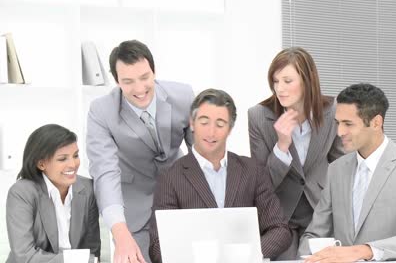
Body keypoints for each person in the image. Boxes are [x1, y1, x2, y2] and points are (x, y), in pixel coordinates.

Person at [298, 83, 396, 262]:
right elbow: (313, 235)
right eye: (337, 123)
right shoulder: (335, 169)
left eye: (348, 124)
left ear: (376, 123)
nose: (340, 132)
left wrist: (363, 251)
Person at [149, 89, 292, 262]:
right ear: (192, 124)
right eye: (204, 122)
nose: (211, 132)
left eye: (220, 124)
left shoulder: (252, 170)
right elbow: (158, 245)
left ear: (230, 129)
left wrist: (246, 255)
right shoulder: (171, 178)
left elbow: (280, 229)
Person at [86, 39, 194, 263]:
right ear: (117, 82)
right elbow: (105, 171)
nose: (139, 89)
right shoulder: (101, 111)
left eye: (145, 78)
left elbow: (202, 153)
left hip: (181, 200)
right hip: (134, 211)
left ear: (154, 72)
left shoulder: (184, 96)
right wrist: (119, 231)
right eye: (128, 81)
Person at [247, 47, 343, 259]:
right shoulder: (259, 116)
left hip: (320, 211)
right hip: (281, 217)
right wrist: (281, 146)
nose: (279, 89)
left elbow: (342, 164)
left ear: (307, 81)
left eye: (287, 81)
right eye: (275, 81)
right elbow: (262, 184)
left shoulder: (333, 111)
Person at [6, 124, 100, 263]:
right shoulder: (21, 193)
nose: (73, 164)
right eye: (62, 159)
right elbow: (24, 256)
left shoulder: (87, 189)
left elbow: (92, 249)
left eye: (75, 155)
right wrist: (78, 260)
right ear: (41, 164)